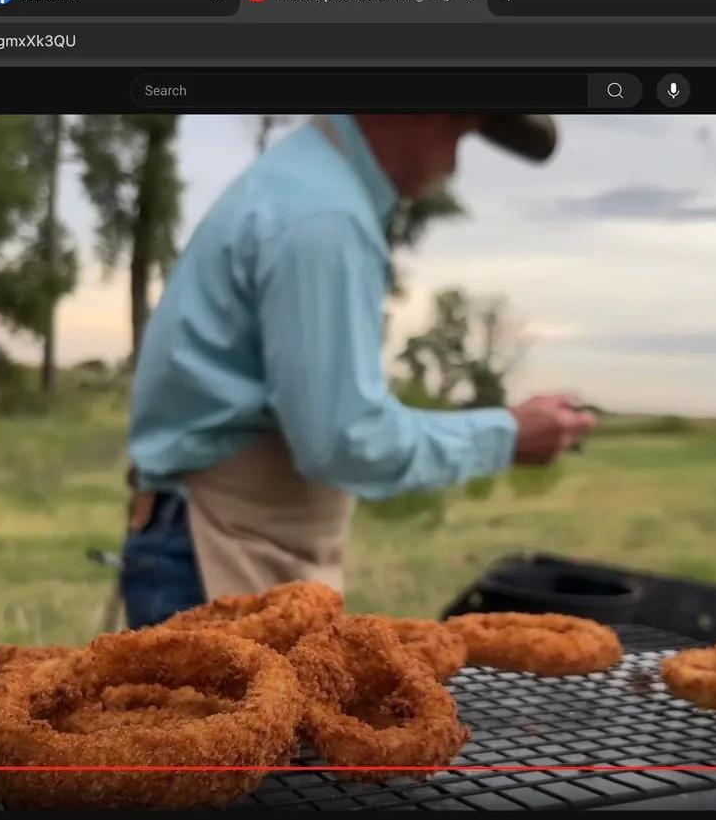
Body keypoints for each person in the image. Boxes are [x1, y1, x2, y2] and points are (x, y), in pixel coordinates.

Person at [118, 115, 595, 628]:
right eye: (455, 132)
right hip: (213, 552)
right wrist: (506, 435)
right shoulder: (323, 216)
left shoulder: (302, 186)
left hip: (207, 541)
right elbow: (344, 440)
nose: (454, 165)